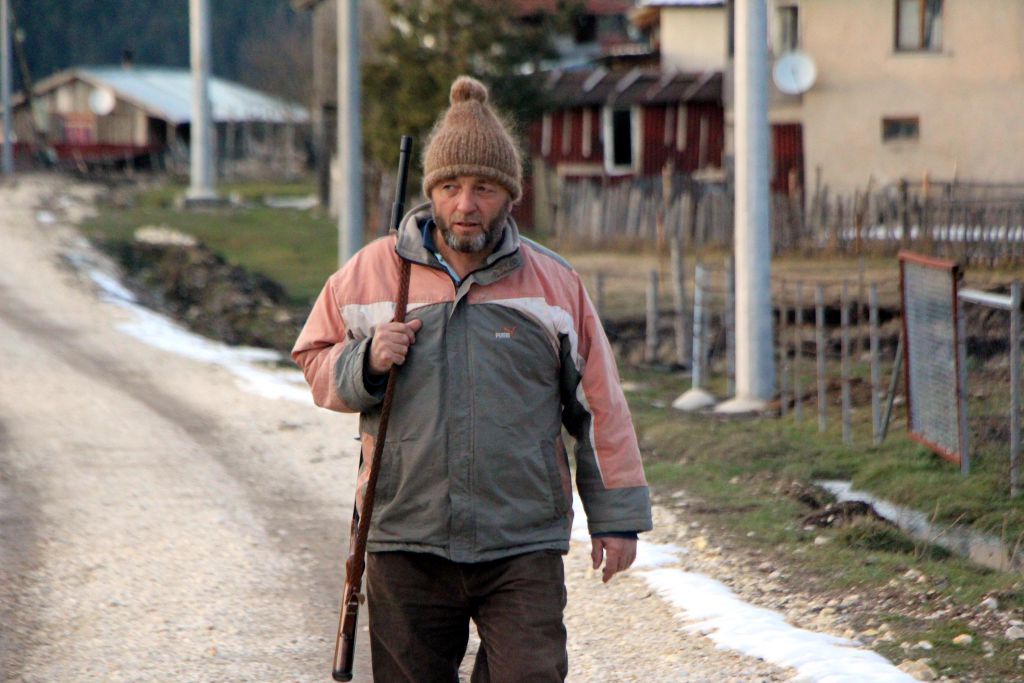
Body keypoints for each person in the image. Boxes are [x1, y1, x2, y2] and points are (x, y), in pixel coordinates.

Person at [292, 75, 652, 683]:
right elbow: (314, 361)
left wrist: (615, 518)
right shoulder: (373, 274)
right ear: (432, 191)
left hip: (521, 542)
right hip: (405, 534)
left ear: (510, 195)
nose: (466, 205)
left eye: (484, 188)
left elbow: (599, 407)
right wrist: (368, 362)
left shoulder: (553, 284)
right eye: (452, 187)